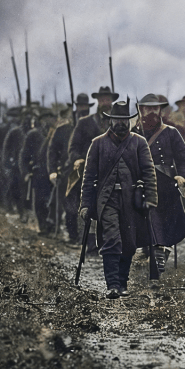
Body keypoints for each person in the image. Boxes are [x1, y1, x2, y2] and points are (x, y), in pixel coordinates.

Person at [78, 100, 159, 299]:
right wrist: (85, 204)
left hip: (131, 200)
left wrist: (150, 198)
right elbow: (88, 177)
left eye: (125, 120)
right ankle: (112, 285)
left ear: (130, 121)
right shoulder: (97, 144)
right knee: (112, 239)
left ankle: (123, 283)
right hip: (106, 200)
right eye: (117, 119)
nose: (121, 123)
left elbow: (149, 171)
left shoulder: (139, 142)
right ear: (110, 120)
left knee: (130, 243)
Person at [133, 94, 185, 275]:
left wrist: (183, 177)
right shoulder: (133, 134)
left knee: (162, 219)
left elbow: (184, 159)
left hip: (165, 183)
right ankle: (149, 250)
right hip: (140, 183)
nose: (152, 112)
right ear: (141, 110)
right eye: (148, 108)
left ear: (160, 110)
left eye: (155, 108)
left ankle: (159, 252)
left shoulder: (171, 133)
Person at [69, 86, 117, 251]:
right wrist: (77, 159)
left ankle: (109, 241)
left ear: (112, 101)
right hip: (89, 170)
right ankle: (89, 242)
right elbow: (73, 147)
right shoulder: (85, 123)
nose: (105, 102)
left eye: (108, 99)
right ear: (97, 101)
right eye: (102, 99)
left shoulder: (119, 123)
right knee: (88, 205)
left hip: (112, 171)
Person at [21, 108, 58, 234]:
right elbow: (24, 155)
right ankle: (43, 226)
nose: (48, 120)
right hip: (39, 173)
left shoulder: (56, 133)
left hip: (54, 172)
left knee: (53, 201)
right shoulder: (33, 135)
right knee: (40, 201)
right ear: (41, 120)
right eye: (45, 118)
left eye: (50, 118)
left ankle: (53, 226)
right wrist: (26, 172)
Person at [48, 103, 79, 242]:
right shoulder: (62, 131)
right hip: (67, 173)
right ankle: (72, 235)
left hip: (86, 172)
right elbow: (52, 152)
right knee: (69, 205)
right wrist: (53, 171)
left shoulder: (88, 128)